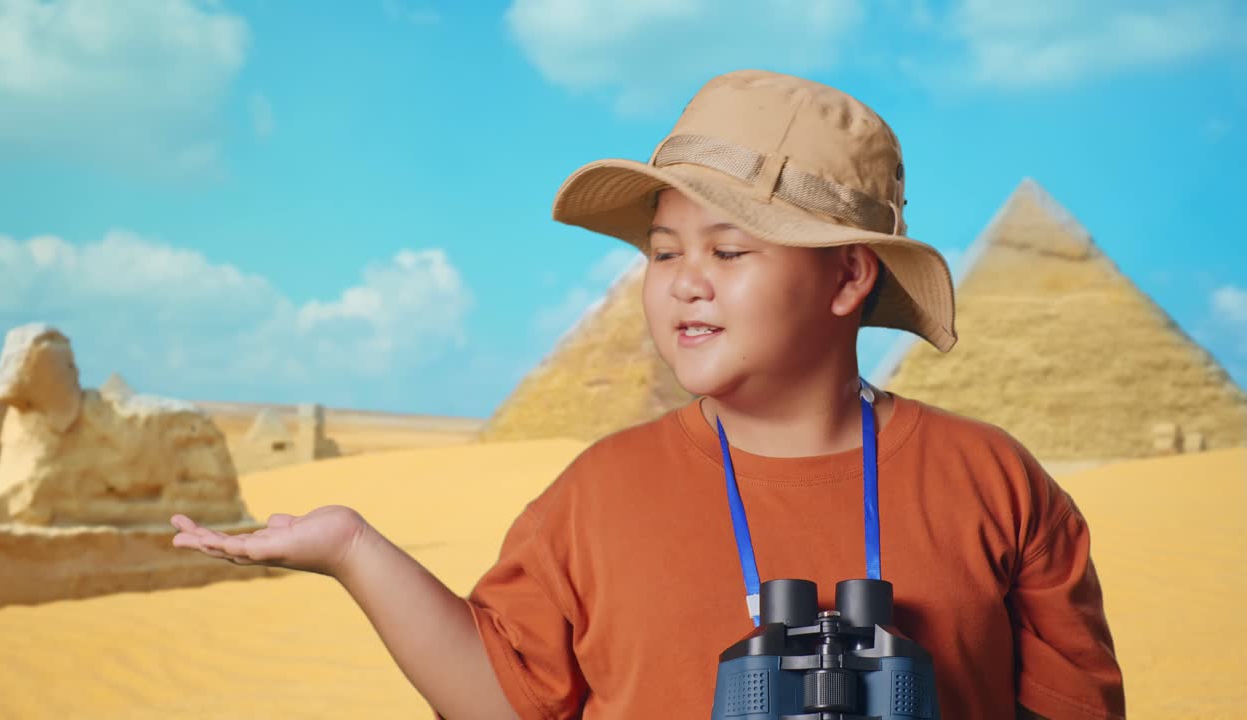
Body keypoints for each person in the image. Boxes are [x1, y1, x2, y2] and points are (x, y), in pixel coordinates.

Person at [171, 70, 1125, 719]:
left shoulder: (995, 481)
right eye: (664, 252)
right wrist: (351, 549)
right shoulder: (596, 493)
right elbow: (507, 697)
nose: (684, 280)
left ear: (846, 282)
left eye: (730, 249)